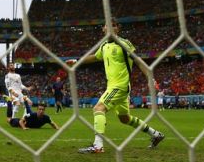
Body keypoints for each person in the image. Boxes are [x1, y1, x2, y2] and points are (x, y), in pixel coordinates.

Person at [67, 19, 165, 154]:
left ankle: (98, 146)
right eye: (108, 25)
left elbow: (137, 60)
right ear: (104, 29)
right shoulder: (104, 46)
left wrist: (150, 77)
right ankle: (156, 134)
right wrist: (77, 61)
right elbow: (95, 57)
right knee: (125, 118)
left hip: (120, 86)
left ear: (117, 29)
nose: (110, 28)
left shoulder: (124, 44)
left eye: (113, 25)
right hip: (115, 87)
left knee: (98, 108)